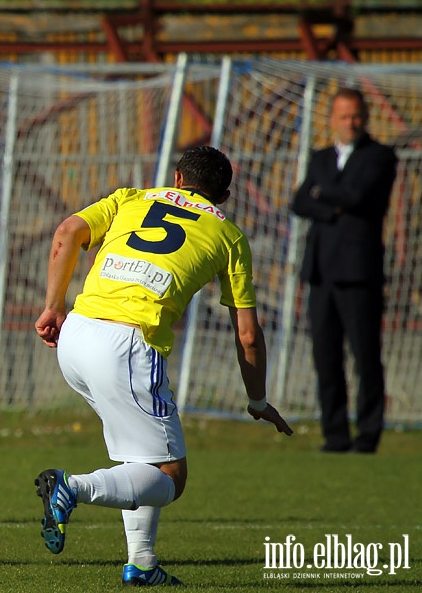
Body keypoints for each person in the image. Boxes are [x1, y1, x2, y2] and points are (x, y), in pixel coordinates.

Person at [33, 146, 293, 586]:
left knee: (143, 459)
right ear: (224, 196)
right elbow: (248, 334)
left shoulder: (132, 197)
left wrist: (53, 306)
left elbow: (66, 232)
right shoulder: (229, 236)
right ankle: (71, 487)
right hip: (128, 345)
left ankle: (143, 564)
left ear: (175, 178)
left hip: (76, 334)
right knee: (171, 476)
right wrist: (257, 399)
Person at [291, 87, 397, 455]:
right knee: (326, 357)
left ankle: (368, 435)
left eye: (356, 116)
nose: (350, 122)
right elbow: (300, 201)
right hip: (320, 271)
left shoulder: (380, 156)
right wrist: (329, 203)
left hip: (359, 271)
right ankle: (334, 435)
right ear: (332, 118)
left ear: (364, 117)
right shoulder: (320, 158)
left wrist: (325, 196)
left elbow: (360, 197)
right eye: (343, 116)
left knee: (366, 356)